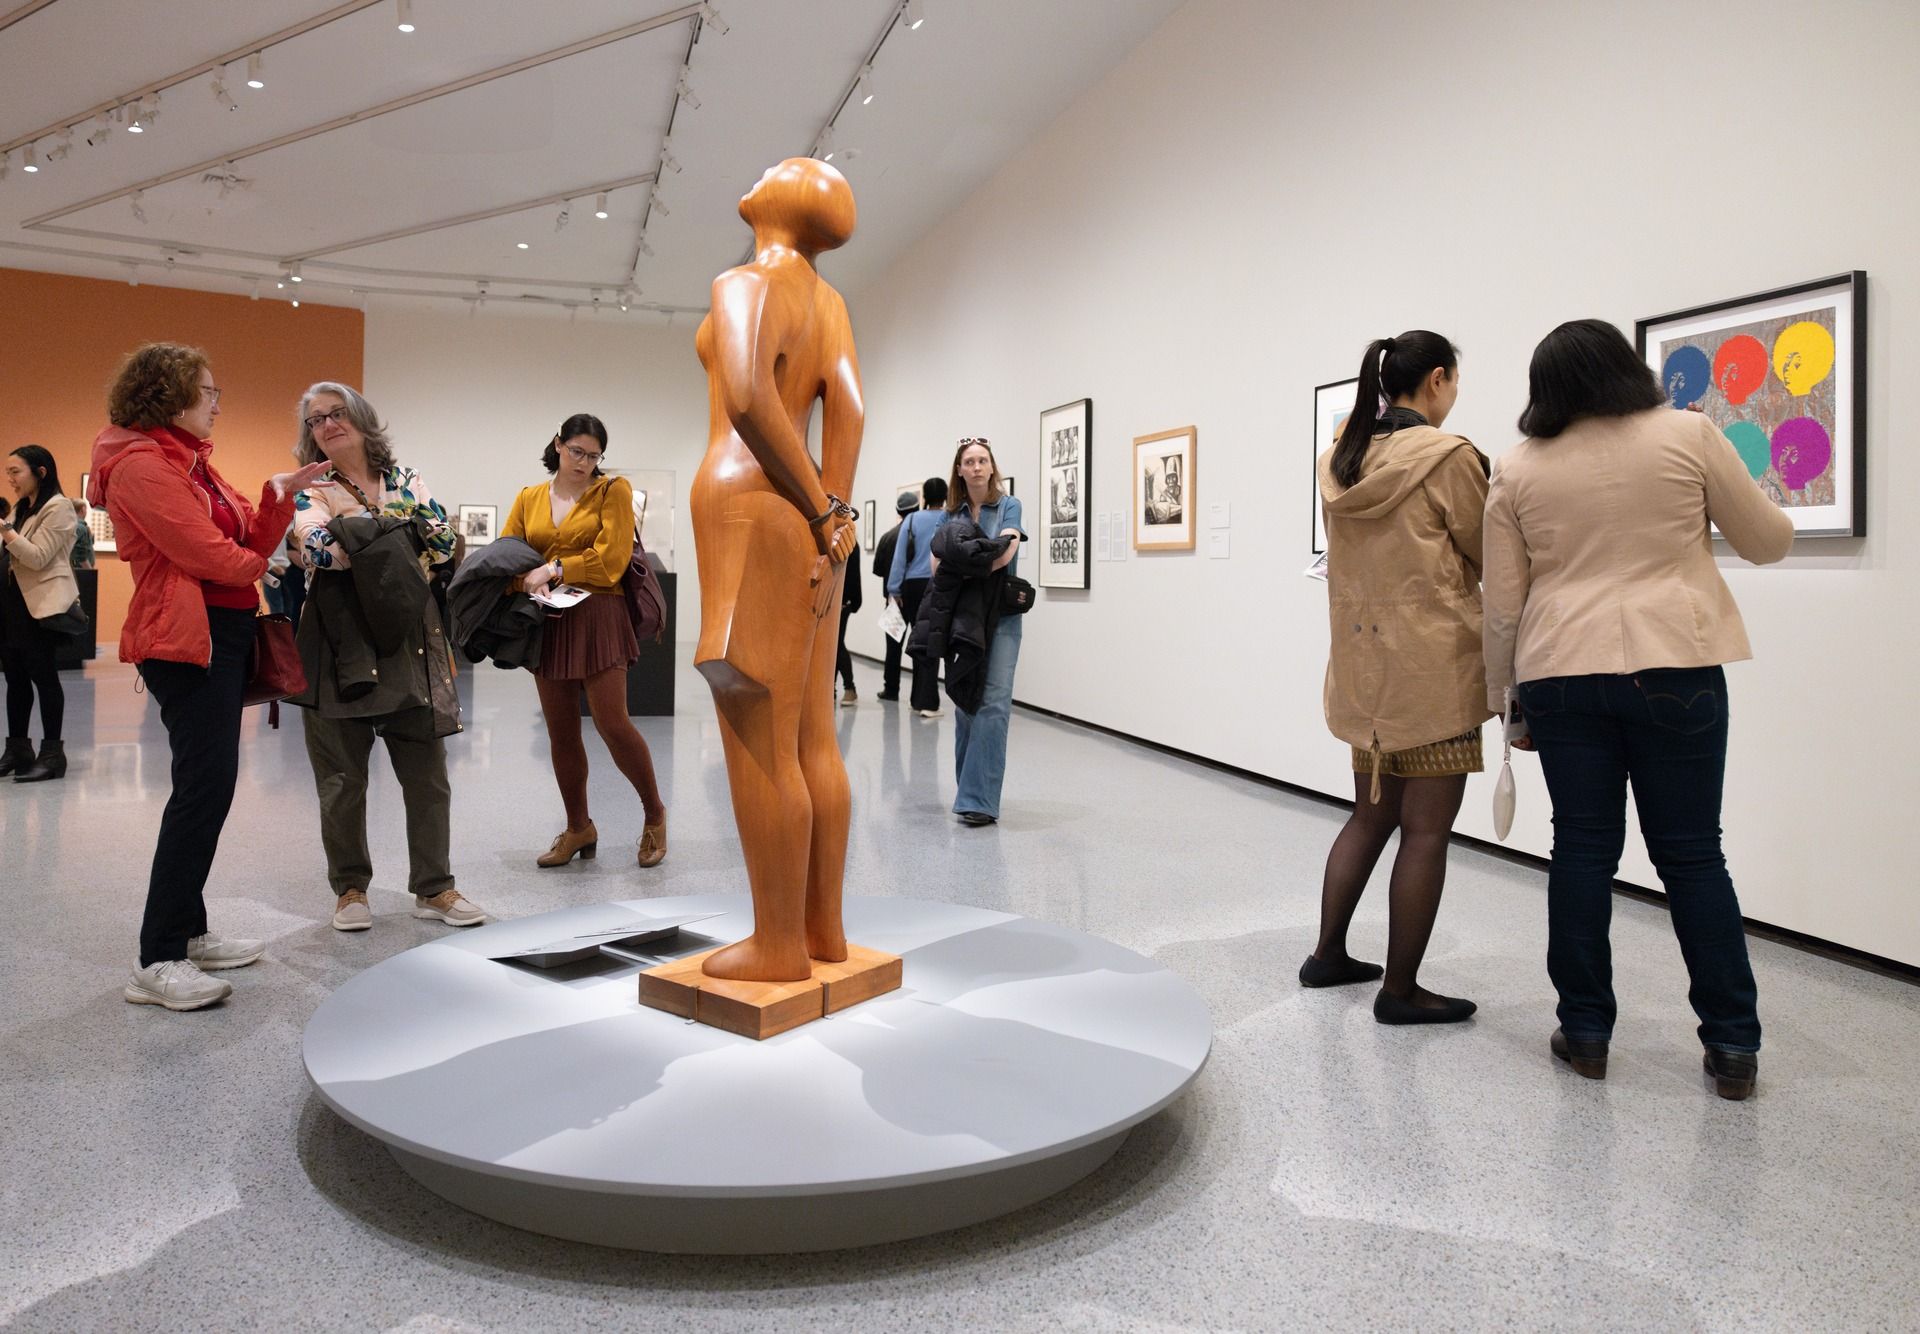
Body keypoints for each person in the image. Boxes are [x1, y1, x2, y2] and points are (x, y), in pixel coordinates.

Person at [1483, 319, 1793, 1099]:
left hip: (1560, 673)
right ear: (1626, 369)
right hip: (1675, 664)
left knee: (1582, 850)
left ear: (1543, 388)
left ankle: (1585, 1031)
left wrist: (1504, 700)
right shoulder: (1689, 435)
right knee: (1692, 855)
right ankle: (1732, 1046)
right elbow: (1768, 542)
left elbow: (1502, 607)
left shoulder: (1518, 467)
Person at [90, 342, 333, 1010]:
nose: (218, 402)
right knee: (203, 788)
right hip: (183, 639)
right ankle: (158, 956)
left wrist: (277, 499)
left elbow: (247, 543)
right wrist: (266, 568)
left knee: (209, 785)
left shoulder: (191, 464)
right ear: (167, 397)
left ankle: (187, 932)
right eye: (209, 391)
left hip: (219, 633)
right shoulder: (140, 465)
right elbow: (210, 556)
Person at [1304, 331, 1490, 1026]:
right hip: (1435, 669)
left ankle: (1327, 953)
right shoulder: (1450, 458)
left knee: (1372, 812)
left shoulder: (1341, 461)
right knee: (1426, 832)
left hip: (1365, 667)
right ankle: (1402, 989)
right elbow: (1486, 550)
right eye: (1455, 381)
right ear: (1436, 380)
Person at [291, 381, 487, 931]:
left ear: (361, 418)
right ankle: (350, 890)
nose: (327, 425)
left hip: (409, 636)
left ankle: (435, 888)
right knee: (341, 780)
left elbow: (446, 543)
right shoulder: (312, 487)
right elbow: (315, 549)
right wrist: (398, 535)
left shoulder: (403, 478)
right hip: (338, 641)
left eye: (337, 414)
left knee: (427, 776)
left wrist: (355, 531)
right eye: (316, 420)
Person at [503, 412, 668, 869]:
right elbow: (508, 554)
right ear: (558, 444)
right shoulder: (529, 497)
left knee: (612, 722)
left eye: (594, 456)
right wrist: (525, 582)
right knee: (561, 732)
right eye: (577, 451)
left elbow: (611, 560)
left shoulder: (612, 491)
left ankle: (654, 814)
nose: (585, 463)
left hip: (599, 614)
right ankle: (579, 827)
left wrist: (554, 568)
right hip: (549, 619)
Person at [940, 437, 1026, 825]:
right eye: (968, 461)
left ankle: (978, 800)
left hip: (1002, 616)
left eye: (982, 461)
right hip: (963, 615)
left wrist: (966, 562)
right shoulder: (951, 514)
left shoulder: (1009, 505)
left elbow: (1007, 550)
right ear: (959, 470)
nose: (976, 467)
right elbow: (935, 558)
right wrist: (977, 557)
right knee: (965, 701)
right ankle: (968, 790)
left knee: (993, 701)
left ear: (992, 467)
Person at [1, 446, 79, 782]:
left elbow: (37, 557)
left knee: (44, 679)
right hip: (10, 607)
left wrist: (5, 530)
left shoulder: (58, 508)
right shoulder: (22, 508)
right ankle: (18, 748)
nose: (10, 479)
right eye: (8, 472)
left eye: (16, 471)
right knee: (14, 679)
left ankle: (52, 754)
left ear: (41, 472)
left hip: (38, 609)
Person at [886, 476, 950, 718]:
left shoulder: (912, 519)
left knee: (916, 641)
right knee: (931, 643)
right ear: (945, 496)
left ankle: (917, 699)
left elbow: (900, 557)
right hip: (937, 584)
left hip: (911, 587)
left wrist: (894, 589)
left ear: (925, 496)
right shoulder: (949, 518)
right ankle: (928, 702)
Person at [870, 490, 918, 701]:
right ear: (917, 509)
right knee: (919, 649)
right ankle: (919, 695)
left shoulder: (887, 537)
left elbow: (878, 569)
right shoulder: (922, 536)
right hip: (918, 600)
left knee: (893, 648)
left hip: (892, 602)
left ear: (898, 511)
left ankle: (891, 689)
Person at [835, 513, 863, 705]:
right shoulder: (834, 540)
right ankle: (832, 688)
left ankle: (849, 687)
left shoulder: (850, 543)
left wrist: (853, 602)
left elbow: (853, 575)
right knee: (832, 647)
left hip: (842, 603)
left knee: (836, 645)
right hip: (832, 603)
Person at [69, 499, 97, 569]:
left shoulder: (72, 525)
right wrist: (89, 570)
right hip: (82, 570)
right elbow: (80, 553)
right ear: (83, 509)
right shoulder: (81, 528)